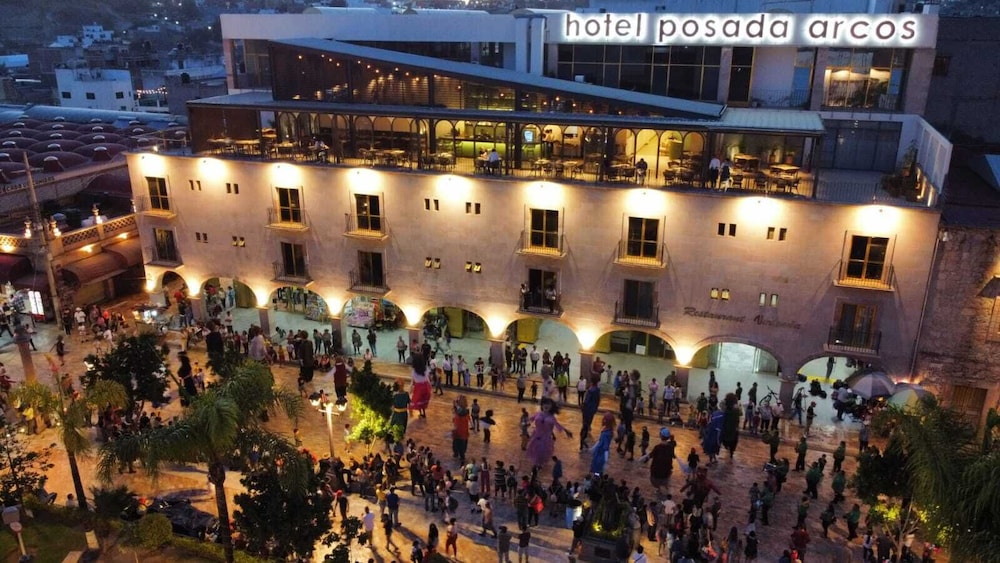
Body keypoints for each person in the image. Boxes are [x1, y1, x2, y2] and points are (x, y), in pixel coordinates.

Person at [525, 397, 572, 466]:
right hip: (536, 435)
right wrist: (525, 423)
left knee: (542, 451)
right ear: (542, 405)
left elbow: (558, 425)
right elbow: (531, 419)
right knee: (535, 450)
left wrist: (566, 431)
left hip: (545, 437)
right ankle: (536, 464)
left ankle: (539, 463)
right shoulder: (538, 414)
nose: (546, 405)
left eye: (548, 404)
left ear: (551, 406)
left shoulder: (552, 418)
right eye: (545, 403)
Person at [639, 427, 676, 494]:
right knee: (664, 480)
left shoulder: (657, 447)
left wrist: (644, 457)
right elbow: (672, 456)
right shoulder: (670, 447)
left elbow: (651, 455)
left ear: (661, 436)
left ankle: (660, 489)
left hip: (657, 469)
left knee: (656, 481)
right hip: (666, 470)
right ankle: (662, 489)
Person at [579, 378, 601, 449]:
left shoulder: (590, 390)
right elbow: (598, 400)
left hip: (587, 408)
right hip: (593, 408)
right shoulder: (597, 390)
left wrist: (583, 406)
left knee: (585, 424)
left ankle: (583, 439)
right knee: (588, 422)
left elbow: (587, 400)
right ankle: (586, 432)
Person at [410, 353, 432, 418]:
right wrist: (429, 386)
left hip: (419, 388)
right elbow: (428, 378)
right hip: (426, 386)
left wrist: (410, 389)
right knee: (423, 401)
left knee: (418, 401)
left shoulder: (414, 371)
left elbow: (413, 381)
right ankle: (424, 413)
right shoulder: (426, 369)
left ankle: (421, 413)